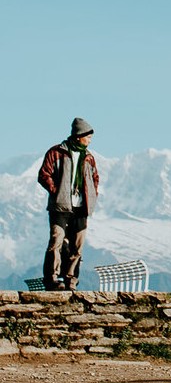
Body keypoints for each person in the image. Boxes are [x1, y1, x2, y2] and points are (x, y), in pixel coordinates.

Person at [37, 117, 99, 291]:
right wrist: (56, 190)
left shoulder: (89, 157)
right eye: (88, 137)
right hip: (60, 206)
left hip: (81, 208)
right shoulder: (56, 152)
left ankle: (72, 280)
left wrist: (93, 195)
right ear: (79, 135)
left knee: (77, 246)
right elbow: (44, 174)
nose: (90, 140)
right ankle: (52, 278)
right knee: (56, 241)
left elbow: (95, 178)